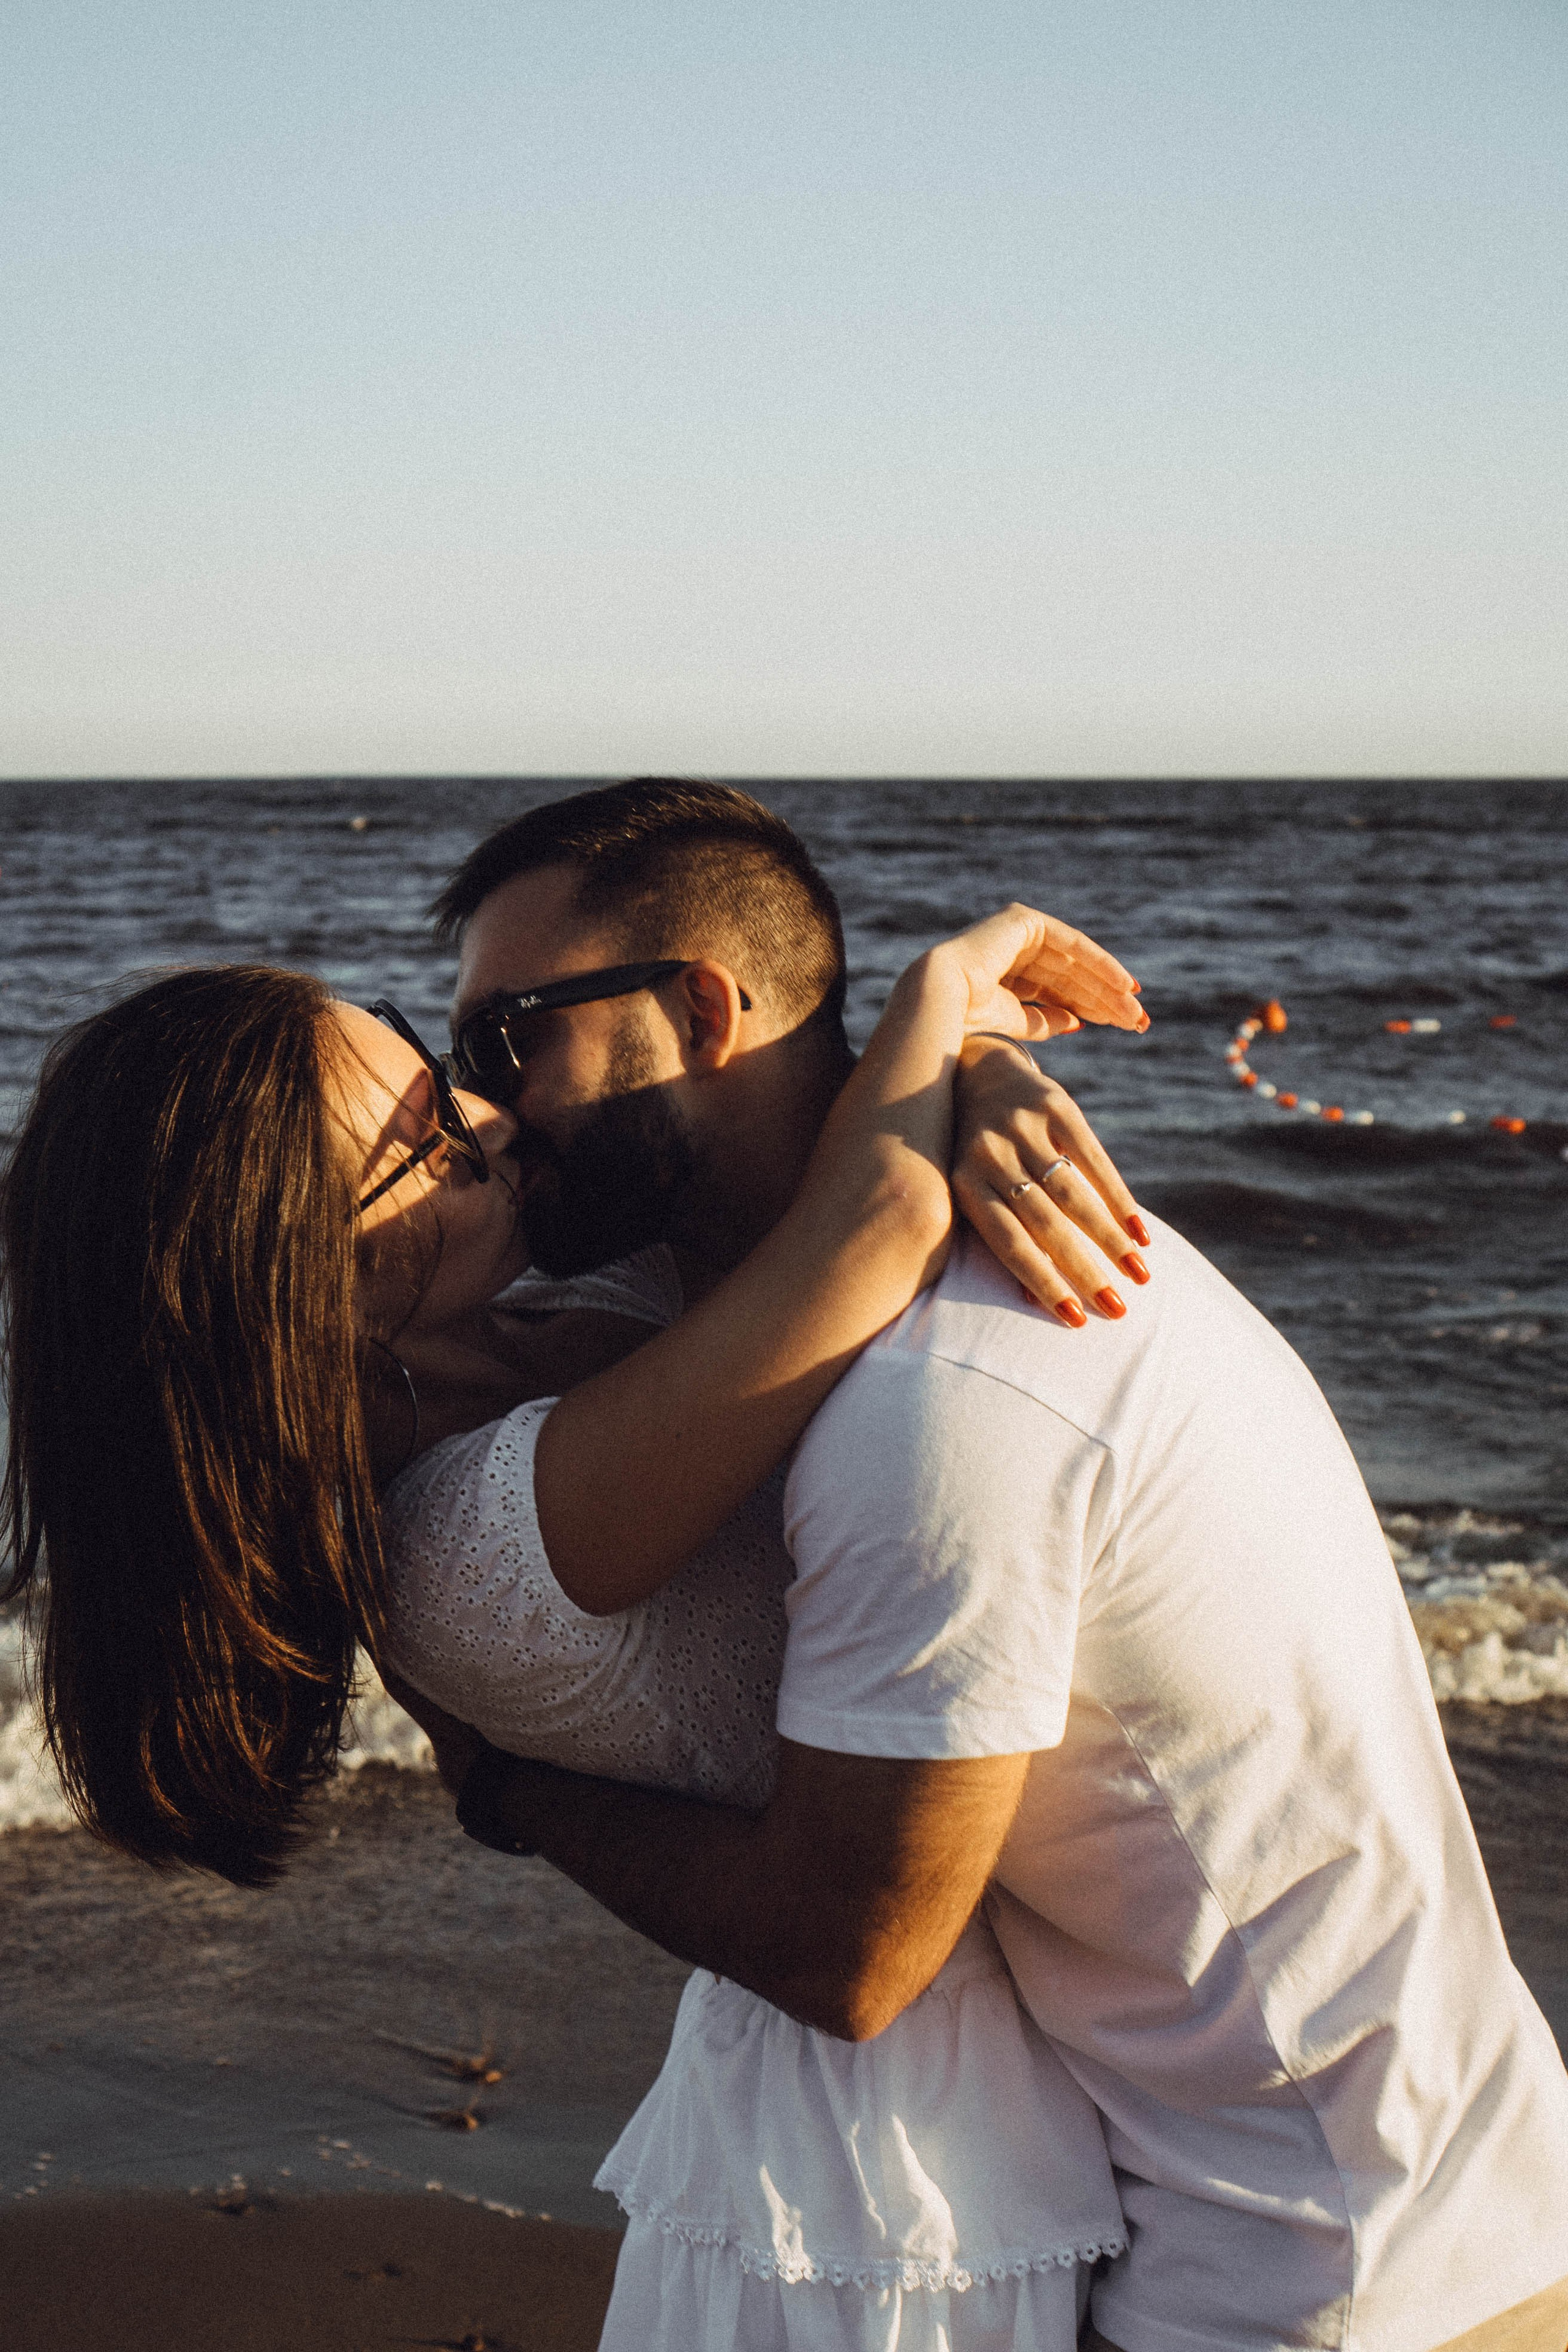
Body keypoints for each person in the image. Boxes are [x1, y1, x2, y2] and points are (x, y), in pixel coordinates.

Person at [420, 782, 1568, 2352]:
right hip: (1400, 2185)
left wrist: (508, 1790)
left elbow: (848, 1948)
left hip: (1320, 2273)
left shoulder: (943, 1400)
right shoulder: (841, 1300)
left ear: (698, 1010)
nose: (477, 1110)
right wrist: (956, 1057)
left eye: (506, 1043)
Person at [0, 835, 1149, 2346]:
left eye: (441, 1071)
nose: (487, 1116)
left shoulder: (531, 1317)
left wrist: (986, 1077)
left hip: (962, 2074)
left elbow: (781, 1183)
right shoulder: (466, 1533)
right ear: (305, 1283)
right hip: (883, 2176)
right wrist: (946, 998)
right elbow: (873, 1227)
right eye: (430, 1140)